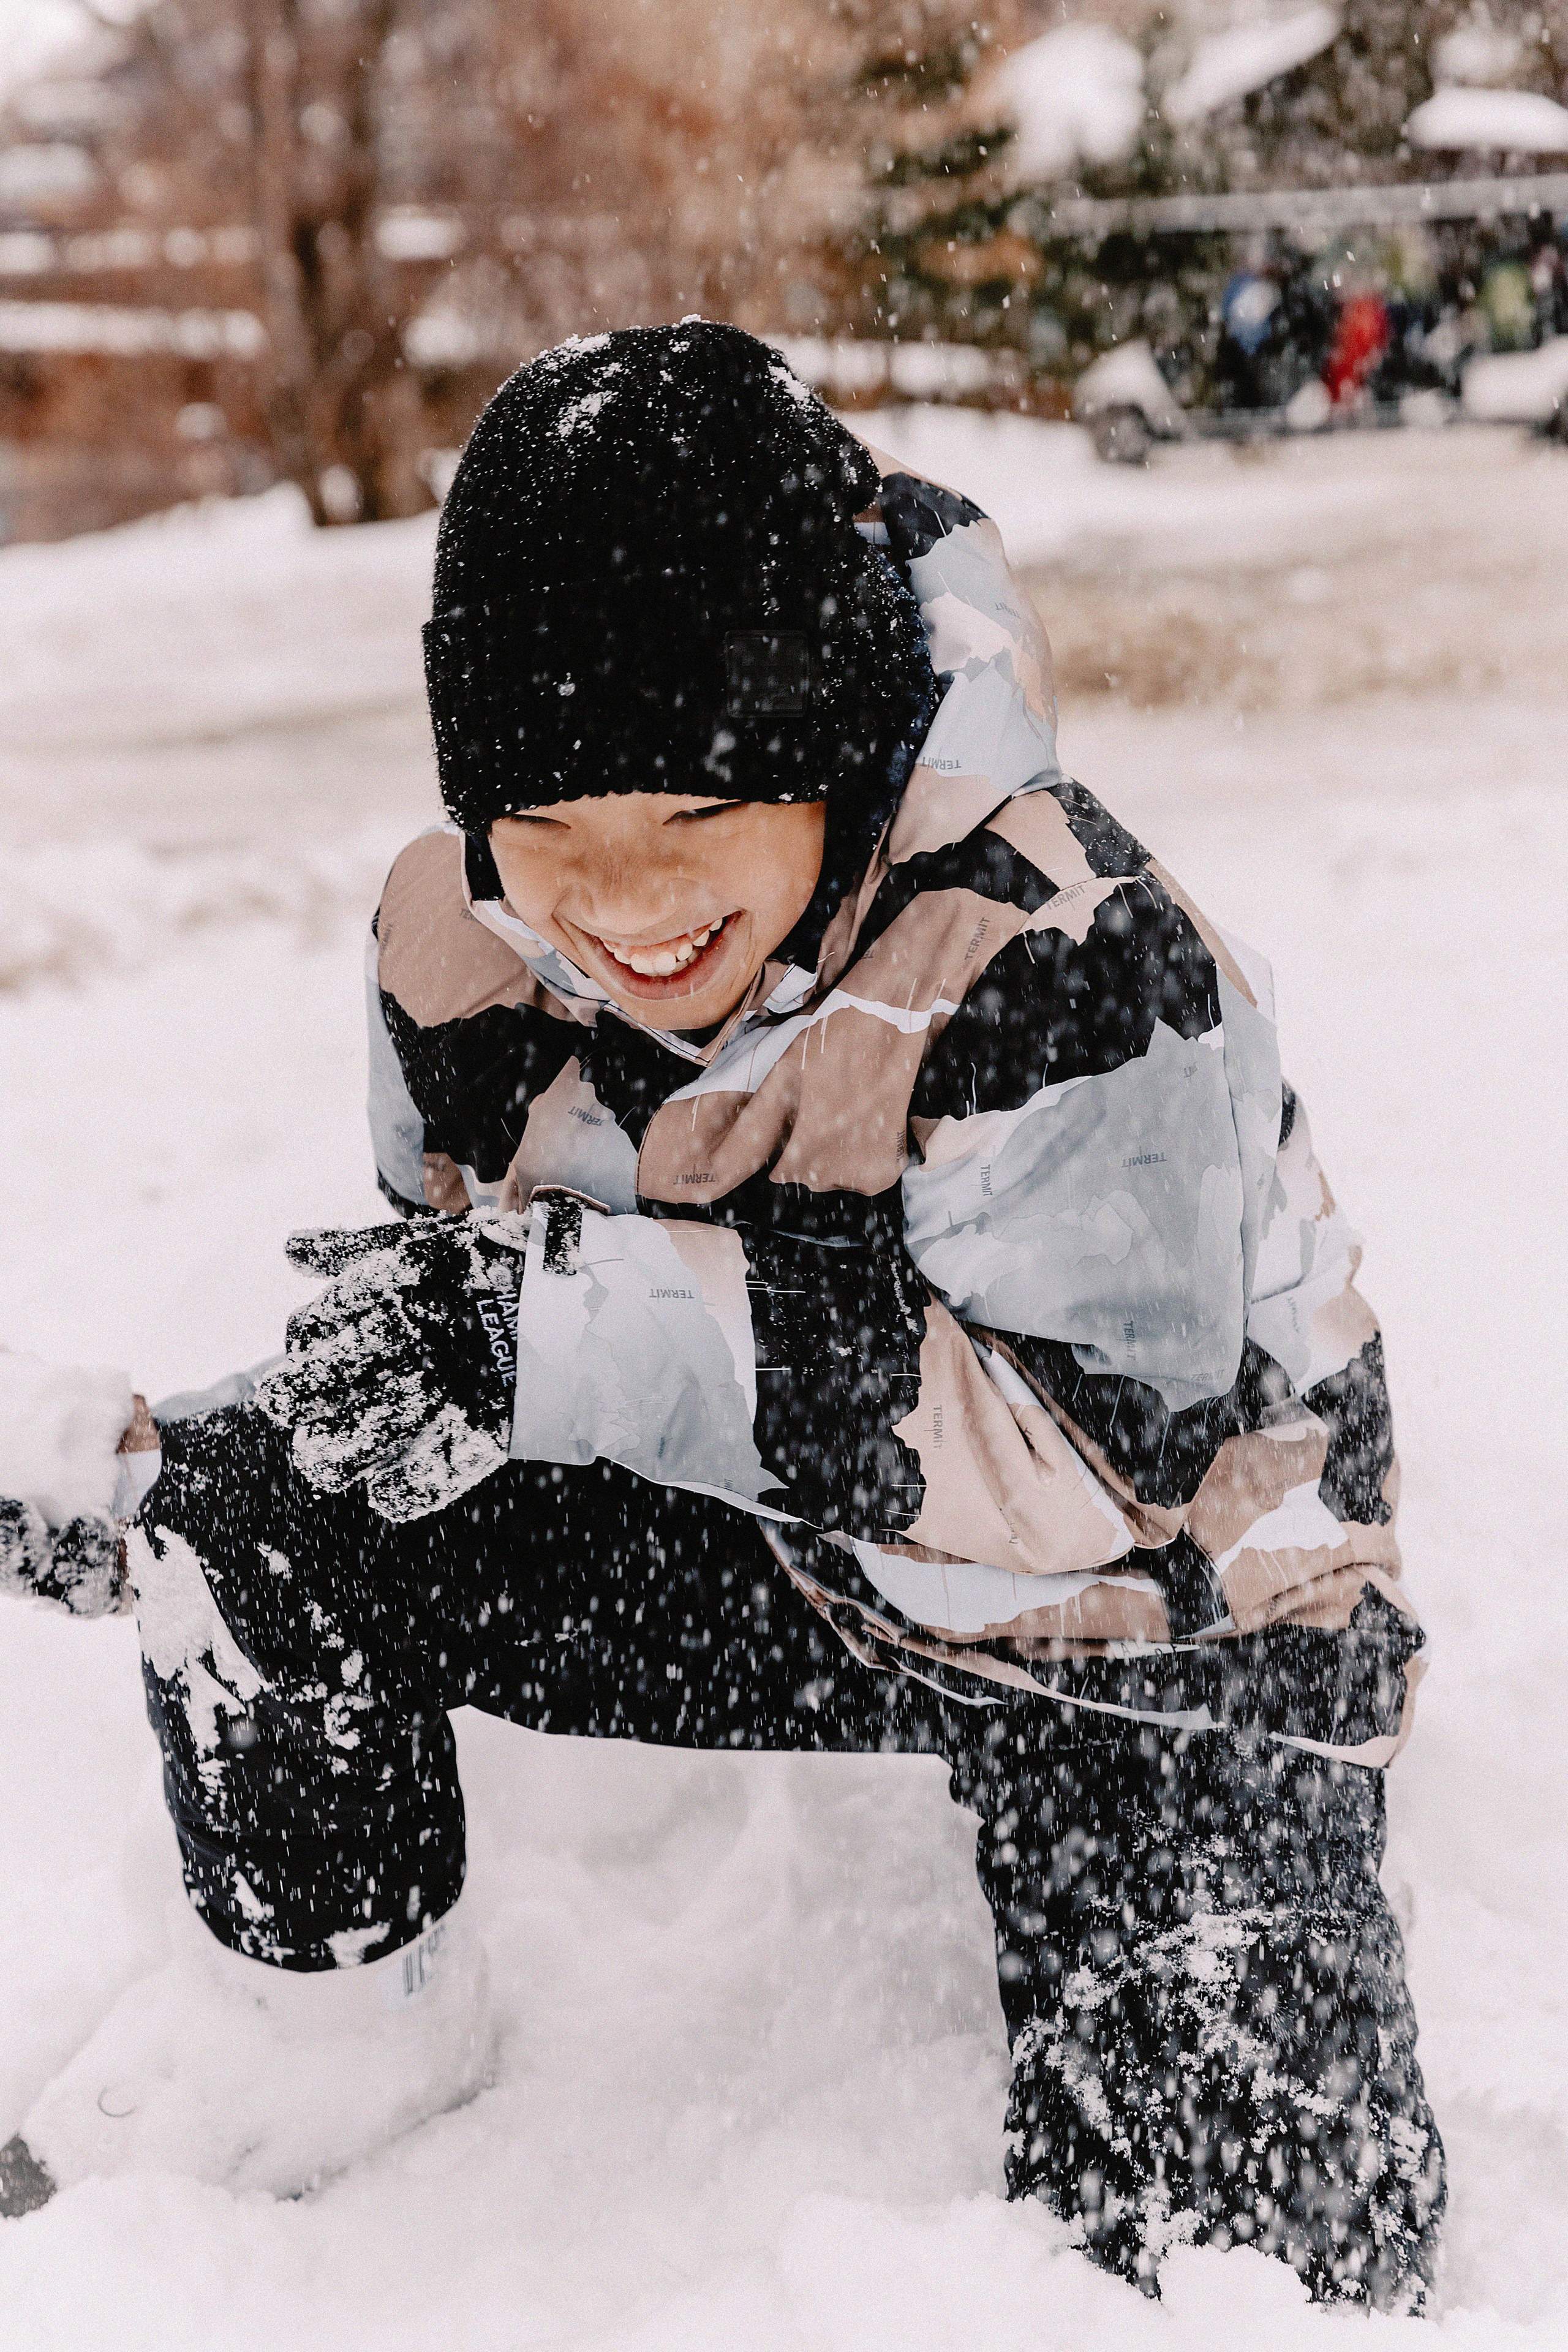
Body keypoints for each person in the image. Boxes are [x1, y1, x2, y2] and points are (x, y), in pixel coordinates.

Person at [0, 322, 1444, 2305]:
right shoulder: (466, 955)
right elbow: (498, 1313)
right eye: (556, 835)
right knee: (255, 1499)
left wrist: (555, 1337)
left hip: (1158, 1606)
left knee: (1243, 2257)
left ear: (830, 744)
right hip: (786, 1533)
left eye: (692, 824)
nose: (622, 907)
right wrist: (194, 1463)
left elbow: (1098, 1460)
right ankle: (320, 2033)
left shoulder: (1067, 954)